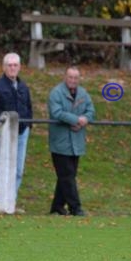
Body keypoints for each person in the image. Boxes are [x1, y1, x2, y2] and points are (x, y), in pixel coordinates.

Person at [0, 53, 33, 213]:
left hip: (22, 132)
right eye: (9, 65)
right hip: (4, 133)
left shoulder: (24, 87)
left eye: (15, 65)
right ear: (4, 67)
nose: (12, 68)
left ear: (19, 67)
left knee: (18, 168)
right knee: (1, 165)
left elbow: (29, 108)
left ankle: (11, 201)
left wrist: (28, 125)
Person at [48, 66, 95, 217]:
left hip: (77, 142)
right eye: (70, 77)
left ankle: (57, 206)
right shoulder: (56, 93)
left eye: (76, 78)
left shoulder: (83, 93)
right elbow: (57, 113)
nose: (73, 80)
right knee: (67, 176)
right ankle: (76, 208)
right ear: (65, 77)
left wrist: (85, 119)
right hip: (60, 142)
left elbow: (91, 110)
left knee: (67, 175)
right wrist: (75, 120)